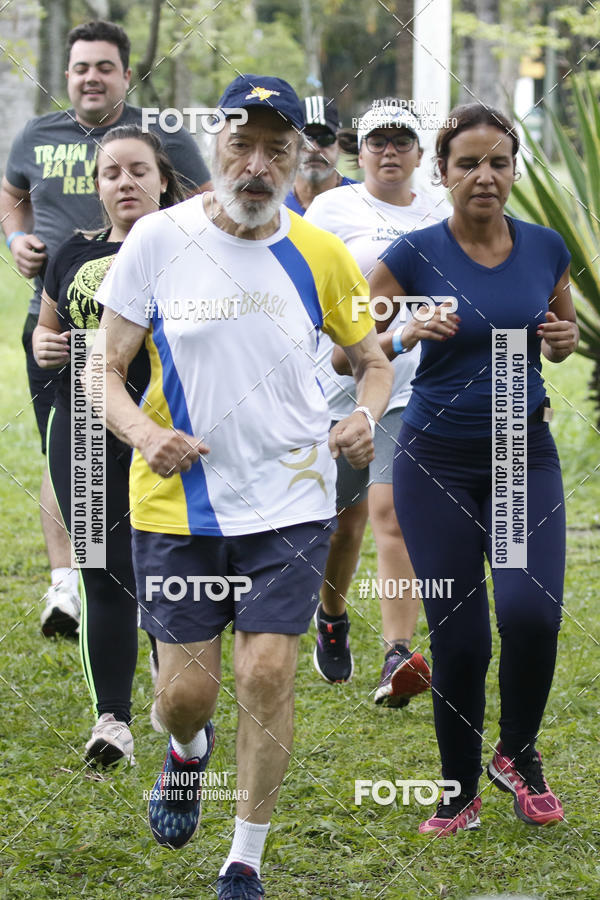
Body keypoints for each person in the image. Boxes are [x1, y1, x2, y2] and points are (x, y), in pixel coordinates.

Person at [93, 74, 392, 898]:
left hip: (290, 497)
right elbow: (104, 371)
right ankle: (188, 751)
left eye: (277, 148)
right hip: (177, 505)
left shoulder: (321, 254)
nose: (257, 163)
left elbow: (373, 363)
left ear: (299, 158)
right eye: (242, 144)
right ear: (215, 148)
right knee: (184, 695)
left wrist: (365, 414)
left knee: (266, 674)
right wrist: (146, 433)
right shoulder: (156, 239)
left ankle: (244, 858)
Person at [370, 103, 577, 834]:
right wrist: (404, 332)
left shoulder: (546, 246)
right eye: (468, 163)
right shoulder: (413, 252)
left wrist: (562, 338)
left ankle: (517, 753)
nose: (484, 176)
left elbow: (560, 330)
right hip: (437, 461)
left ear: (515, 170)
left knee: (530, 613)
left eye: (498, 162)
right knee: (458, 634)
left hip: (521, 457)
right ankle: (458, 787)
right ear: (443, 172)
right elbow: (347, 349)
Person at [0, 19, 211, 639]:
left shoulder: (158, 136)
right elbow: (11, 194)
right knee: (65, 447)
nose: (91, 77)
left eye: (103, 67)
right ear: (67, 76)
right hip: (61, 318)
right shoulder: (36, 134)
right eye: (80, 67)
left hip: (154, 326)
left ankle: (153, 577)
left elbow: (205, 200)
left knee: (142, 443)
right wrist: (17, 236)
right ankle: (69, 583)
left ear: (125, 74)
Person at [32, 125, 186, 764]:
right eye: (111, 173)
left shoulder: (192, 249)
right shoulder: (73, 250)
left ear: (162, 179)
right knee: (101, 567)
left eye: (138, 170)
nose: (125, 182)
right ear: (98, 188)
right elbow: (46, 331)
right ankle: (112, 720)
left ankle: (172, 691)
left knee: (166, 570)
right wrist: (44, 345)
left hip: (164, 431)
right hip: (86, 431)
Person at [305, 100, 449, 703]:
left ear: (421, 154)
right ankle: (331, 617)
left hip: (412, 385)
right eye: (377, 143)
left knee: (393, 515)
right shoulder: (331, 208)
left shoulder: (442, 209)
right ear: (357, 151)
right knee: (345, 522)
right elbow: (303, 286)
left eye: (402, 142)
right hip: (336, 381)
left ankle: (396, 655)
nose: (390, 152)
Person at [284, 95, 356, 215]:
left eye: (325, 139)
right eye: (305, 139)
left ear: (340, 144)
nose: (314, 148)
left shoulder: (361, 200)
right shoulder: (273, 205)